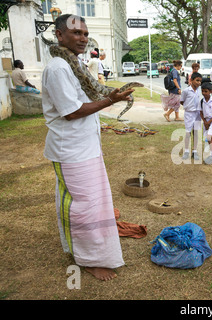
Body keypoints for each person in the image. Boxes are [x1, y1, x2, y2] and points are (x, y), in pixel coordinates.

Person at [41, 14, 134, 281]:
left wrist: (109, 98)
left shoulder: (75, 64)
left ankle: (90, 250)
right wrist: (110, 101)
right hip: (71, 152)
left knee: (94, 204)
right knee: (83, 206)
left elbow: (85, 98)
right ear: (59, 35)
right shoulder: (58, 67)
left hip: (85, 148)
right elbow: (71, 112)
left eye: (85, 33)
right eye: (76, 33)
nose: (83, 38)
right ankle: (88, 259)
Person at [180, 72, 202, 161]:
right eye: (197, 80)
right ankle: (186, 151)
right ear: (191, 80)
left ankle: (195, 150)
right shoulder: (186, 91)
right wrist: (188, 106)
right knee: (188, 132)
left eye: (200, 81)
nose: (199, 83)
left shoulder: (199, 90)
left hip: (197, 114)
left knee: (196, 132)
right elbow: (182, 101)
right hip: (189, 114)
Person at [200, 82, 212, 165]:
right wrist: (204, 122)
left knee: (209, 137)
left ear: (210, 91)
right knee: (210, 138)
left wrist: (209, 122)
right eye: (202, 91)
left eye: (206, 91)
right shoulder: (202, 101)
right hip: (206, 122)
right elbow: (200, 112)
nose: (204, 93)